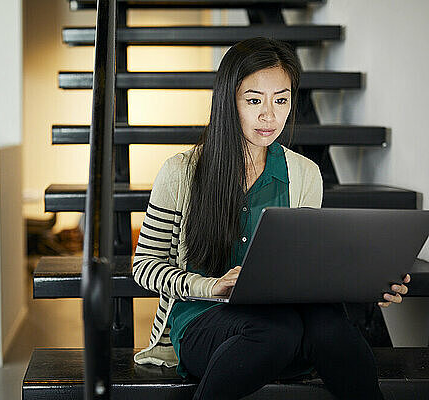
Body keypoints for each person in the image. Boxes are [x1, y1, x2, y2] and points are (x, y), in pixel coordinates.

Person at [131, 37, 410, 400]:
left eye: (281, 99)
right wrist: (209, 286)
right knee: (278, 331)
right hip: (206, 322)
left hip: (285, 324)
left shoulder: (305, 174)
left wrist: (369, 285)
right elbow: (144, 266)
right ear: (228, 100)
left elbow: (310, 266)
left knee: (329, 328)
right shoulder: (181, 172)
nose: (270, 115)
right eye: (254, 100)